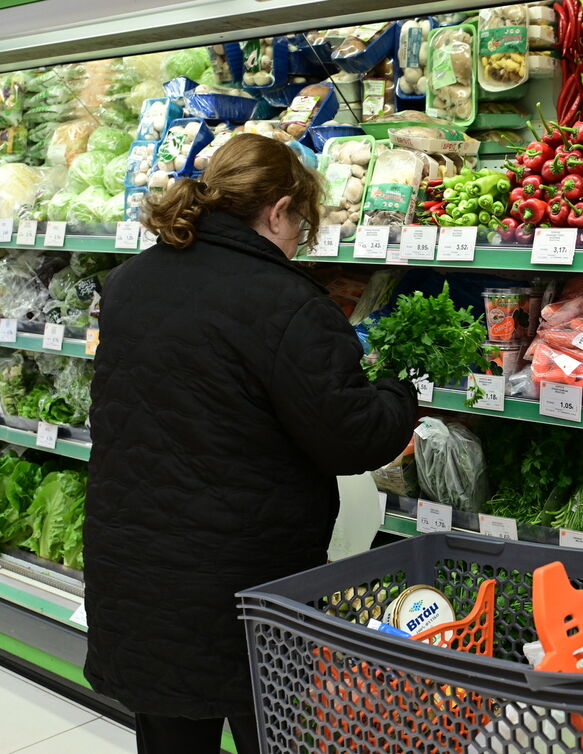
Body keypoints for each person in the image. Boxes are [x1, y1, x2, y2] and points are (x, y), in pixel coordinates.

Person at [83, 133, 418, 754]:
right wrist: (401, 393)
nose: (299, 243)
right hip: (241, 580)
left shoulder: (130, 282)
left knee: (170, 732)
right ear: (278, 208)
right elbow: (350, 439)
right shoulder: (287, 303)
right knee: (272, 727)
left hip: (139, 563)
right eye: (301, 226)